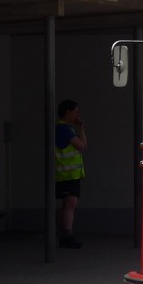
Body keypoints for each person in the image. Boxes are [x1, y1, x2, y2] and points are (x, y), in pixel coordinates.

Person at [55, 99, 87, 248]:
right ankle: (67, 234)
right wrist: (81, 129)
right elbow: (82, 145)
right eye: (75, 112)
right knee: (70, 203)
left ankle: (65, 233)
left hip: (67, 174)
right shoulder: (64, 129)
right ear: (68, 112)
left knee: (68, 204)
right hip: (67, 174)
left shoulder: (62, 129)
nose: (76, 115)